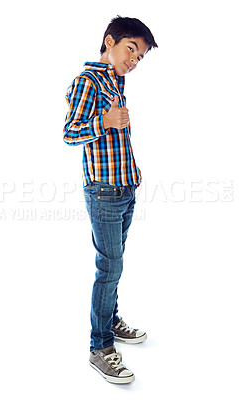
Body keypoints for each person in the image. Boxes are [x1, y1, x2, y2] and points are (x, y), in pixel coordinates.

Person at [63, 16, 158, 384]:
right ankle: (99, 346)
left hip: (125, 188)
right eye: (130, 49)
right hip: (103, 191)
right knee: (109, 268)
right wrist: (105, 120)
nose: (133, 60)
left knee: (114, 265)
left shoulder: (115, 81)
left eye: (140, 57)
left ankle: (111, 320)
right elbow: (70, 133)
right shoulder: (89, 80)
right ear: (109, 42)